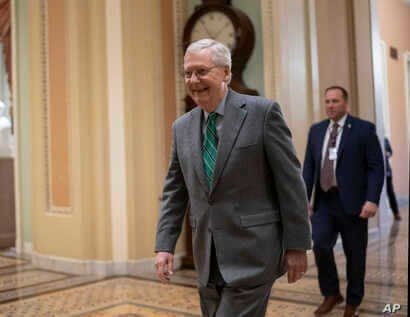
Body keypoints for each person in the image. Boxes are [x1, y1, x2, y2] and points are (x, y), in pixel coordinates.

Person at [155, 39, 311, 317]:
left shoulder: (263, 113)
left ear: (226, 73)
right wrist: (165, 245)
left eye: (202, 71)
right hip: (207, 258)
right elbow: (174, 192)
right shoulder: (182, 127)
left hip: (254, 254)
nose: (193, 80)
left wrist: (297, 245)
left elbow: (290, 183)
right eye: (187, 73)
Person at [303, 86, 384, 317]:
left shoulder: (363, 129)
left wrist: (372, 200)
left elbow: (376, 167)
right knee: (320, 245)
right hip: (324, 203)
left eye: (335, 101)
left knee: (355, 255)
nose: (330, 105)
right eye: (327, 101)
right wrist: (304, 198)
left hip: (354, 204)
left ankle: (353, 301)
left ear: (345, 104)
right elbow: (309, 167)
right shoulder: (316, 131)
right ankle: (331, 294)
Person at [384, 137, 401, 221]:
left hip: (387, 171)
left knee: (390, 192)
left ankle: (396, 213)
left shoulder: (385, 140)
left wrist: (387, 153)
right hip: (378, 172)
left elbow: (390, 152)